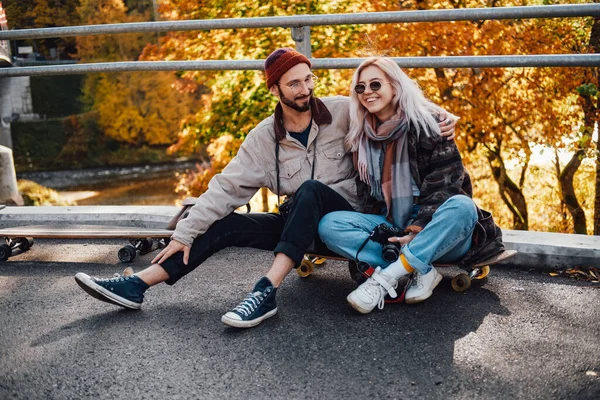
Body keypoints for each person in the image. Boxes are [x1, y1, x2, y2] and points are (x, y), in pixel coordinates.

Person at [74, 48, 456, 328]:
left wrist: (440, 114)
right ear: (276, 90)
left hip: (347, 221)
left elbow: (395, 102)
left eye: (308, 80)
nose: (305, 89)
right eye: (294, 84)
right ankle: (137, 286)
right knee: (225, 225)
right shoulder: (262, 140)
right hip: (298, 225)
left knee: (309, 189)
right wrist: (185, 232)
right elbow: (225, 189)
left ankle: (264, 291)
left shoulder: (344, 112)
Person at [318, 57, 504, 314]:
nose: (367, 93)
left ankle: (388, 276)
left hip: (439, 231)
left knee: (462, 207)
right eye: (360, 88)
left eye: (375, 84)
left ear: (395, 86)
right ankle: (421, 268)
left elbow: (448, 185)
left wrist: (418, 228)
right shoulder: (361, 138)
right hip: (392, 226)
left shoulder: (430, 124)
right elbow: (369, 202)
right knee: (330, 225)